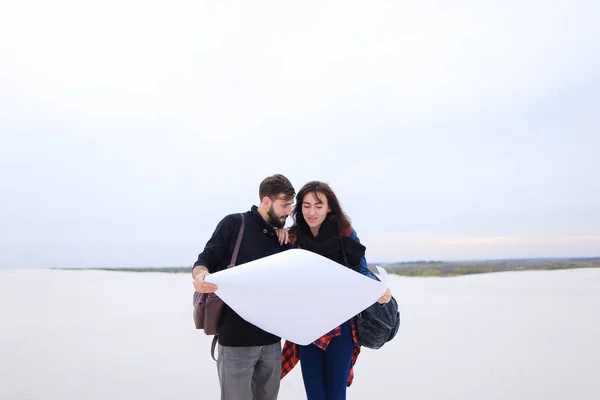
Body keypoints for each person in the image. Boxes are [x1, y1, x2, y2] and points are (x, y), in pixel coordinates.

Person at [279, 181, 392, 400]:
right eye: (306, 205)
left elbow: (361, 269)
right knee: (315, 394)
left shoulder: (345, 234)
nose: (312, 212)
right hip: (307, 325)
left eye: (318, 206)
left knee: (336, 394)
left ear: (329, 207)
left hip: (341, 325)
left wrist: (378, 289)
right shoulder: (292, 237)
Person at [192, 174, 295, 400]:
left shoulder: (282, 238)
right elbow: (205, 259)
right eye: (284, 205)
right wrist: (200, 276)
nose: (288, 211)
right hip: (236, 342)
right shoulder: (234, 224)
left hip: (272, 342)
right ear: (266, 202)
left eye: (290, 205)